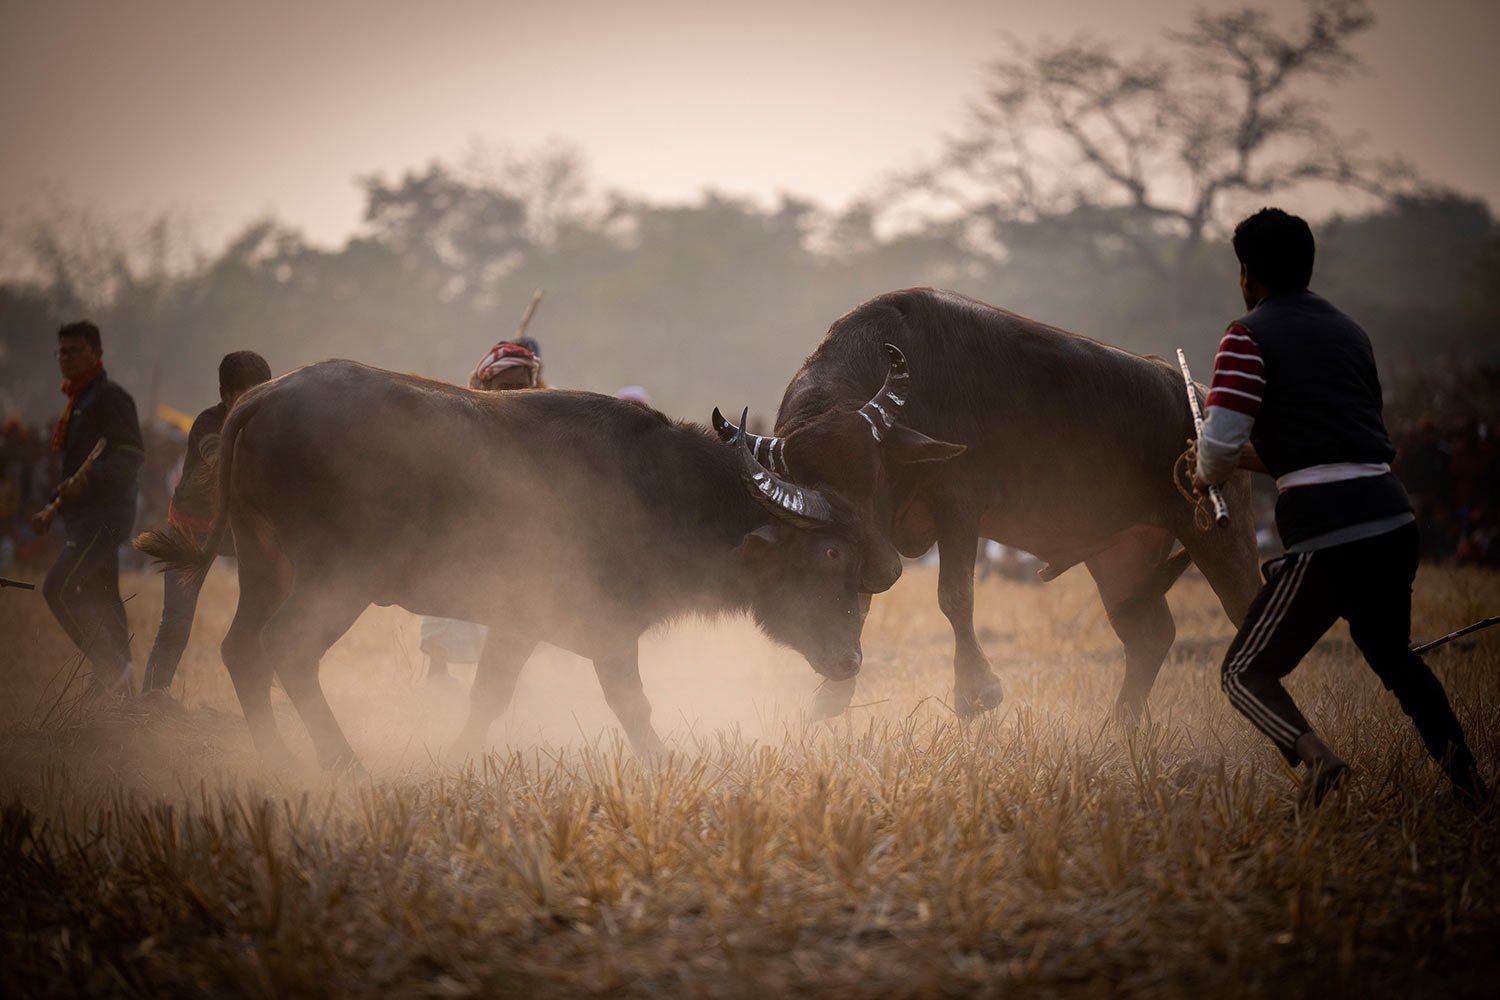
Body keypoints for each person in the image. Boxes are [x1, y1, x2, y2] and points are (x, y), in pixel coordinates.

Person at [1192, 208, 1486, 808]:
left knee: (1243, 674)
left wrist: (1203, 469)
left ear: (1247, 274)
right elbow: (1336, 445)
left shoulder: (1246, 335)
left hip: (1330, 535)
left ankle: (1319, 760)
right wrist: (1254, 457)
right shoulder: (1351, 332)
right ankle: (1471, 785)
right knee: (1395, 660)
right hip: (1391, 522)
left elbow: (1219, 446)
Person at [140, 351, 274, 695]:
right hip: (192, 530)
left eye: (262, 393)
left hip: (236, 532)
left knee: (277, 610)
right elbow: (220, 464)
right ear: (224, 394)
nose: (254, 402)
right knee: (177, 622)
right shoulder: (208, 424)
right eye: (246, 395)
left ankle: (277, 690)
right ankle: (152, 698)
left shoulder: (269, 422)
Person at [421, 337, 543, 685]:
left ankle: (512, 683)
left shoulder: (542, 426)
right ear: (486, 385)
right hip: (462, 533)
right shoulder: (460, 420)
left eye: (523, 387)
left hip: (516, 538)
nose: (515, 394)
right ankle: (438, 673)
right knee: (444, 597)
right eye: (507, 387)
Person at [35, 321, 145, 697]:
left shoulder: (109, 398)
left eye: (75, 350)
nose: (66, 358)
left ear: (97, 354)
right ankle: (124, 695)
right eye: (61, 351)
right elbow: (72, 471)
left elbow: (131, 456)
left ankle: (109, 668)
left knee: (57, 588)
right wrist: (54, 503)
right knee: (104, 598)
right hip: (83, 516)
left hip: (103, 518)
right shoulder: (78, 402)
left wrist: (91, 480)